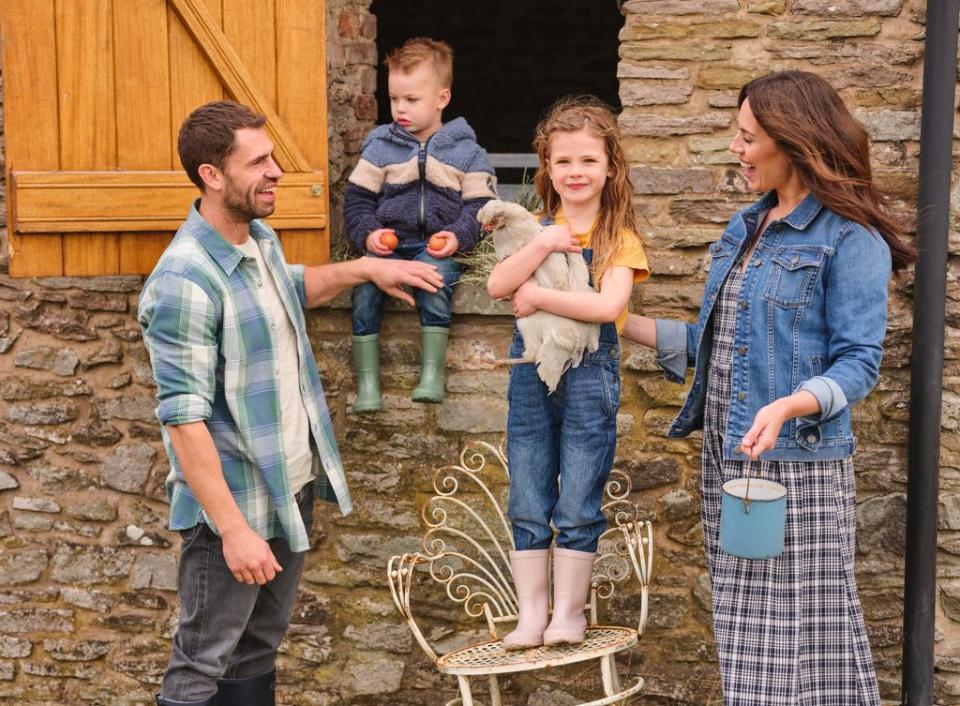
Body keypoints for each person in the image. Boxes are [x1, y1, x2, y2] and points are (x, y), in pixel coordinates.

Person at [622, 71, 915, 705]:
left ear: (793, 141)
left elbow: (859, 362)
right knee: (746, 628)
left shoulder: (849, 238)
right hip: (733, 457)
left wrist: (789, 404)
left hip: (799, 466)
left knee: (807, 631)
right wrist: (613, 318)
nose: (736, 148)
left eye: (749, 137)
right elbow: (713, 337)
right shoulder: (746, 227)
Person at [139, 101, 444, 706]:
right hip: (235, 509)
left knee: (256, 651)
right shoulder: (184, 281)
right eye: (258, 162)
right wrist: (232, 532)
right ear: (212, 175)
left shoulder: (258, 240)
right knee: (202, 663)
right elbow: (184, 422)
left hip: (287, 487)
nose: (276, 170)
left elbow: (290, 287)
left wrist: (364, 268)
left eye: (272, 156)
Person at [487, 96, 649, 649]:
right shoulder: (538, 228)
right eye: (563, 162)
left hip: (589, 368)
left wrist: (535, 294)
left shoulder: (617, 238)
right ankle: (531, 615)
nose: (575, 172)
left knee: (578, 493)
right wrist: (541, 246)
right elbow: (494, 286)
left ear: (610, 168)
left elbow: (609, 309)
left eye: (587, 160)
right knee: (529, 489)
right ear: (547, 170)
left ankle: (569, 613)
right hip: (532, 368)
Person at [343, 37, 497, 411]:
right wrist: (370, 234)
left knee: (434, 280)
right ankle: (368, 382)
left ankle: (432, 373)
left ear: (441, 98)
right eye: (394, 99)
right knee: (363, 290)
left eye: (411, 100)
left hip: (436, 246)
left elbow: (482, 207)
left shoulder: (468, 152)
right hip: (391, 245)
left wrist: (457, 237)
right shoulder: (380, 148)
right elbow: (357, 202)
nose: (400, 109)